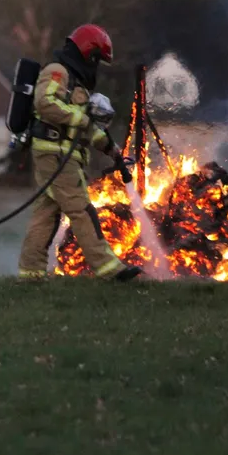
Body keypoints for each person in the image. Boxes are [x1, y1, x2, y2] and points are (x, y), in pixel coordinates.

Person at [17, 24, 143, 281]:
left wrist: (111, 149)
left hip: (61, 155)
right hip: (55, 154)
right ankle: (109, 269)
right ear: (88, 53)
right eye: (96, 60)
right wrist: (81, 118)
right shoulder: (56, 72)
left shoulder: (78, 86)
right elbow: (45, 103)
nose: (96, 67)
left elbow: (84, 129)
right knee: (81, 210)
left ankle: (30, 273)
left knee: (46, 213)